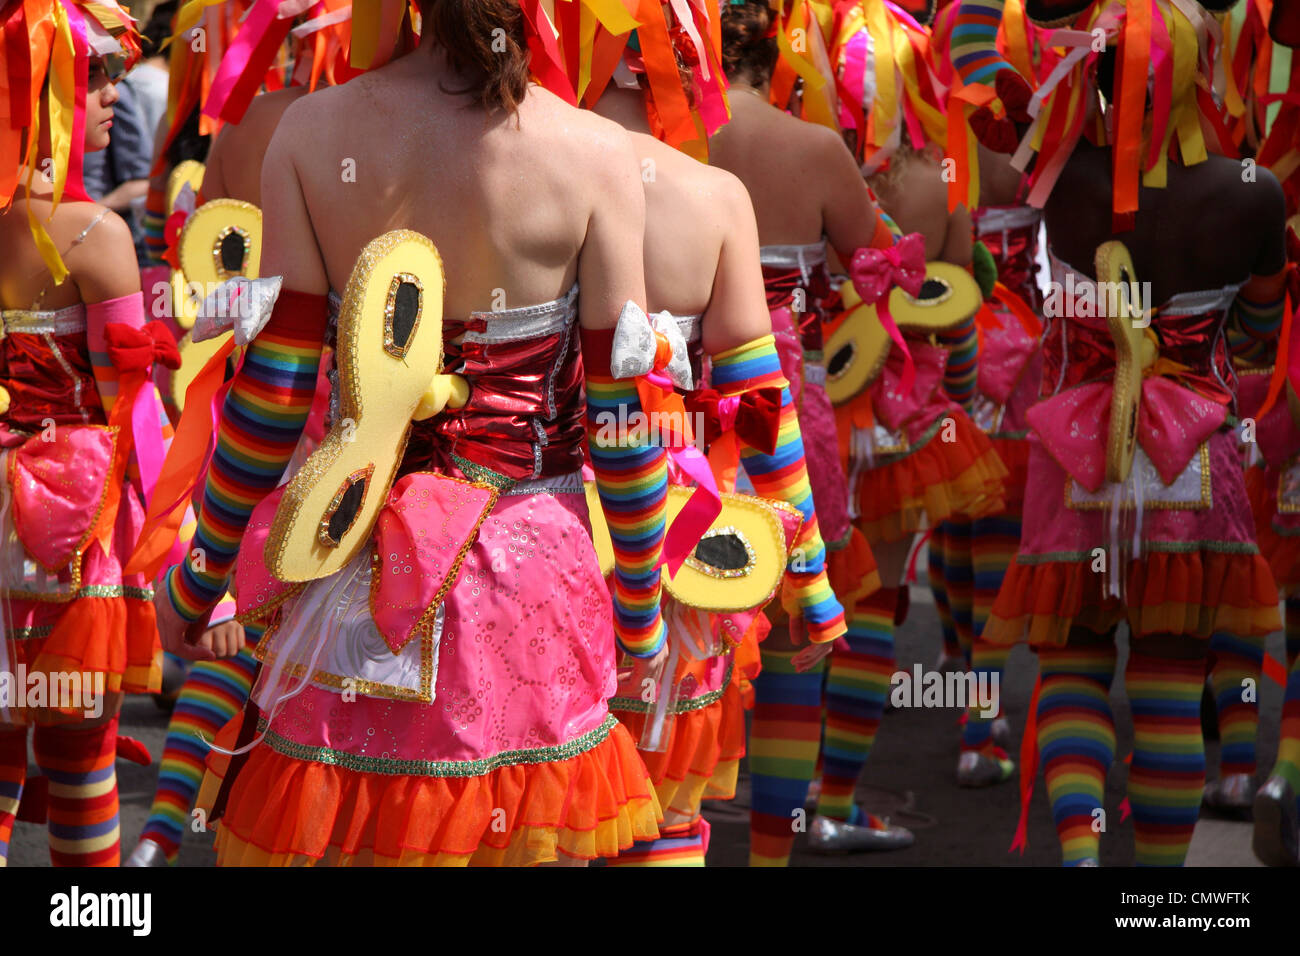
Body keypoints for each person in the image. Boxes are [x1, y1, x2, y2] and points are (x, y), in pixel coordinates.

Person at [150, 0, 670, 867]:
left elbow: (272, 398)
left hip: (349, 558)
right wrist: (645, 619)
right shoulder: (599, 155)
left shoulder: (313, 133)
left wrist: (201, 578)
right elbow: (621, 424)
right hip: (532, 582)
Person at [953, 0, 1285, 866]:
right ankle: (1160, 895)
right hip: (1193, 465)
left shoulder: (1063, 179)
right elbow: (1256, 337)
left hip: (1077, 462)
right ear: (1199, 71)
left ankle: (1081, 860)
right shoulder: (1256, 191)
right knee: (1173, 682)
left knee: (1070, 668)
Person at [578, 5, 851, 866]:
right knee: (661, 816)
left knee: (537, 808)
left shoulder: (510, 171)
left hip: (533, 550)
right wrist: (807, 581)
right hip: (684, 552)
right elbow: (762, 414)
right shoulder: (712, 197)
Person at [0, 0, 240, 867]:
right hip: (69, 541)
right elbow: (139, 418)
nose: (110, 94)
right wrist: (197, 572)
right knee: (81, 766)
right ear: (39, 94)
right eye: (88, 76)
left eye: (110, 73)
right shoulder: (93, 237)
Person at [711, 0, 928, 864]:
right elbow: (882, 266)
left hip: (679, 418)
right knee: (802, 633)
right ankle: (772, 854)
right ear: (778, 53)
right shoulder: (814, 149)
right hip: (788, 422)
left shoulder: (657, 144)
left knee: (689, 632)